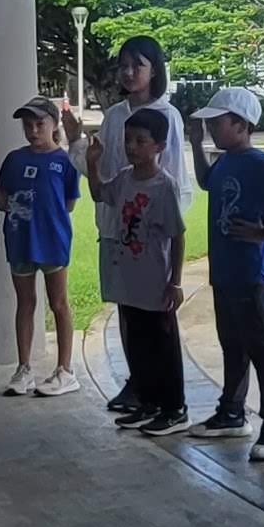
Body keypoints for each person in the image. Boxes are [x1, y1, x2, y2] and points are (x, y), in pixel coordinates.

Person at [78, 37, 187, 410]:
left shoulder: (167, 116)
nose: (128, 72)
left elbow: (174, 176)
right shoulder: (113, 116)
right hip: (116, 226)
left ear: (153, 70)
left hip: (152, 232)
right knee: (128, 310)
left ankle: (165, 397)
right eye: (123, 65)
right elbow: (104, 171)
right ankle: (138, 381)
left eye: (136, 65)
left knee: (156, 317)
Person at [193, 87, 264, 462]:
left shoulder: (259, 164)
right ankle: (232, 409)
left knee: (262, 348)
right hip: (225, 269)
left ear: (241, 125)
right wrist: (198, 146)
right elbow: (206, 183)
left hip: (253, 272)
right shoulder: (226, 161)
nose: (213, 128)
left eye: (218, 122)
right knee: (232, 343)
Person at [0, 99, 81, 395]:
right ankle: (24, 369)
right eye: (27, 125)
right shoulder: (14, 160)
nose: (33, 130)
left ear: (53, 124)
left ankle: (65, 369)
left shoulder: (64, 162)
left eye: (39, 124)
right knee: (25, 302)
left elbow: (69, 204)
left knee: (58, 302)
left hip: (52, 242)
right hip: (19, 240)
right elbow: (2, 202)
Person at [98, 109, 189, 432]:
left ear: (159, 146)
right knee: (137, 343)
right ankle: (148, 402)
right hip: (129, 279)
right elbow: (100, 193)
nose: (132, 147)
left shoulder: (163, 186)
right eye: (128, 140)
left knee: (162, 344)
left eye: (140, 141)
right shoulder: (124, 178)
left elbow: (177, 235)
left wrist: (174, 282)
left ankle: (174, 407)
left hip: (154, 281)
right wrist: (92, 163)